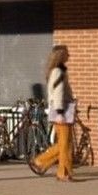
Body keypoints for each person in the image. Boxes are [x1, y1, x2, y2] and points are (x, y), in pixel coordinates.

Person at [32, 45, 76, 181]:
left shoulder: (59, 71)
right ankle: (57, 170)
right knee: (64, 144)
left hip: (62, 109)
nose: (69, 55)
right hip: (61, 111)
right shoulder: (58, 72)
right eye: (67, 53)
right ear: (61, 56)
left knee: (66, 143)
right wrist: (60, 112)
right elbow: (58, 93)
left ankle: (60, 170)